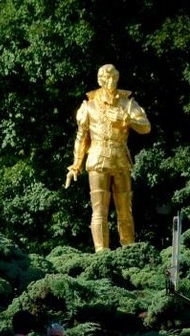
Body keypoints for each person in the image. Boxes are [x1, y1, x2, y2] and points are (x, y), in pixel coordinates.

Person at [65, 63, 152, 252]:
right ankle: (101, 253)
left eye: (114, 77)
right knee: (99, 211)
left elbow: (146, 127)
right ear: (100, 81)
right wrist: (76, 165)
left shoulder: (127, 103)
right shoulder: (89, 106)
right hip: (97, 159)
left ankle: (129, 251)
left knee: (125, 210)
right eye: (106, 77)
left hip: (121, 159)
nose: (111, 80)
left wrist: (127, 120)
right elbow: (81, 137)